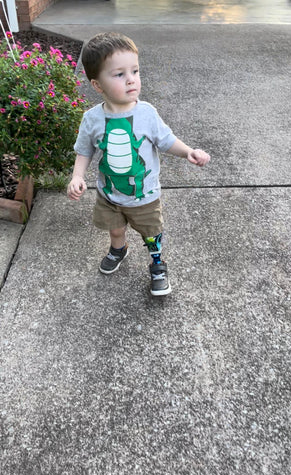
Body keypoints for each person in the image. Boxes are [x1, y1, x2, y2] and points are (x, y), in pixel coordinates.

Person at [67, 32, 210, 296]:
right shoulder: (92, 119)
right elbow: (84, 150)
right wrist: (77, 177)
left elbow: (166, 140)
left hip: (144, 196)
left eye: (135, 70)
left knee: (151, 233)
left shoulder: (146, 113)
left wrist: (188, 151)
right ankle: (119, 249)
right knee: (115, 229)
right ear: (97, 85)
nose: (131, 78)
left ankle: (157, 263)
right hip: (109, 194)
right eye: (119, 74)